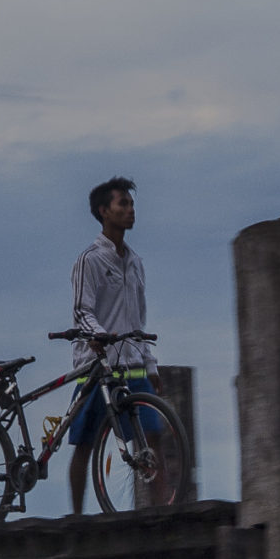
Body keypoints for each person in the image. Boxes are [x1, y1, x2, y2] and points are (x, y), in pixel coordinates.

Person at [67, 176, 163, 513]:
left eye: (132, 204)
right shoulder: (90, 260)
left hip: (132, 364)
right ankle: (76, 516)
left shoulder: (135, 262)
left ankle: (164, 509)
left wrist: (151, 365)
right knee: (85, 443)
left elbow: (139, 320)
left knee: (154, 434)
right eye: (123, 204)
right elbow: (82, 310)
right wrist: (98, 334)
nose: (131, 210)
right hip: (96, 364)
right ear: (103, 211)